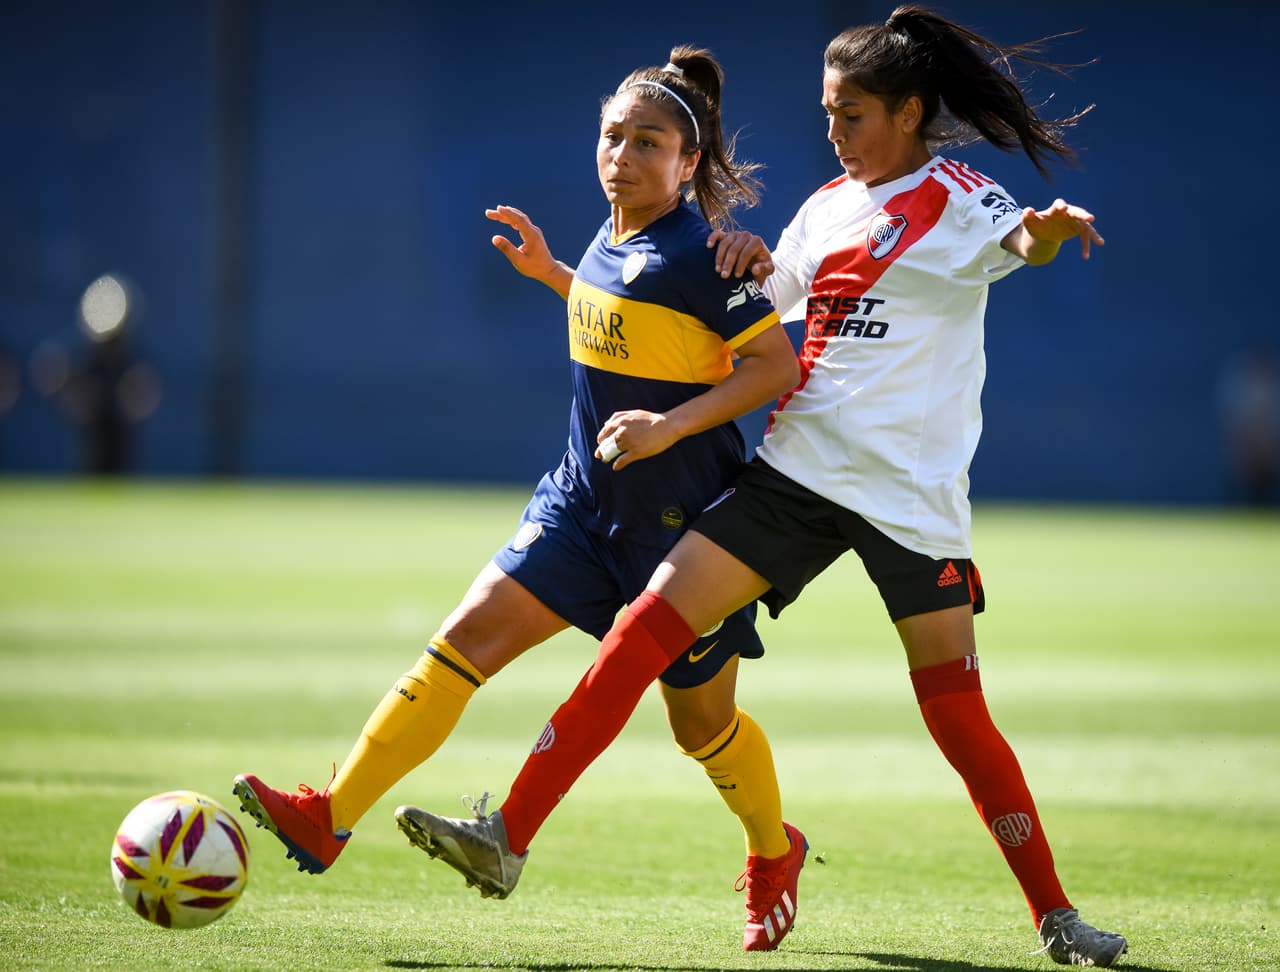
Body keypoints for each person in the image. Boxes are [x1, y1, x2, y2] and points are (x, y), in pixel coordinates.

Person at [395, 7, 1129, 967]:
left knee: (954, 712)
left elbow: (1017, 247)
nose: (834, 132)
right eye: (827, 112)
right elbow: (752, 308)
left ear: (909, 112)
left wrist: (1044, 232)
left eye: (853, 114)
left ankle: (1057, 918)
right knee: (642, 630)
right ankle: (508, 838)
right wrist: (745, 260)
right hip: (797, 470)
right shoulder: (827, 205)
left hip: (911, 498)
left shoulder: (958, 195)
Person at [233, 45, 806, 952]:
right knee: (464, 639)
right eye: (612, 136)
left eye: (647, 141)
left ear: (687, 163)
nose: (623, 153)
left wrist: (667, 428)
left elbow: (775, 368)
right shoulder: (610, 234)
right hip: (580, 506)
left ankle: (775, 850)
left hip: (680, 527)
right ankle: (327, 814)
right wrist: (555, 278)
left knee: (703, 726)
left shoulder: (708, 251)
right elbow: (631, 322)